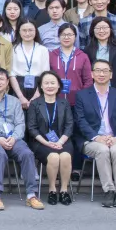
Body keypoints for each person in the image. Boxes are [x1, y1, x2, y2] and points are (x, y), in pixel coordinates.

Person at [0, 67, 44, 211]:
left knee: (27, 153)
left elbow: (20, 124)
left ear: (7, 83)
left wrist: (14, 138)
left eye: (2, 79)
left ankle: (31, 195)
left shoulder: (15, 101)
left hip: (13, 138)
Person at [74, 59, 116, 208]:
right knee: (103, 150)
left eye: (105, 71)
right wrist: (96, 137)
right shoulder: (82, 95)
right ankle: (109, 190)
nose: (101, 74)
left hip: (114, 138)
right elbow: (80, 121)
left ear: (111, 75)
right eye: (98, 70)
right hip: (91, 140)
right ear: (92, 74)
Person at [27, 71, 74, 206]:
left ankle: (64, 190)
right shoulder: (35, 104)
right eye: (46, 83)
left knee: (65, 156)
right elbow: (32, 128)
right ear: (41, 86)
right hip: (41, 142)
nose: (49, 86)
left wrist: (60, 141)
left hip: (62, 140)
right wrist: (47, 143)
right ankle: (52, 190)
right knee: (53, 157)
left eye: (53, 83)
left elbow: (69, 125)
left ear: (59, 85)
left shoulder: (64, 103)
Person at [9, 20, 51, 111]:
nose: (27, 33)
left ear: (36, 31)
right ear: (19, 31)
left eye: (30, 30)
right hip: (18, 86)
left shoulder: (43, 49)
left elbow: (45, 74)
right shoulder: (13, 49)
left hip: (38, 86)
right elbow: (11, 74)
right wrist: (20, 97)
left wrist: (36, 96)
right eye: (24, 30)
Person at [84, 16, 116, 93]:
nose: (101, 31)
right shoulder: (88, 49)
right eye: (98, 28)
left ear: (110, 29)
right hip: (95, 90)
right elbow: (87, 73)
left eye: (105, 28)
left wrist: (115, 88)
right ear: (93, 30)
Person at [50, 23, 92, 103]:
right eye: (63, 35)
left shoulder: (83, 56)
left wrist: (82, 97)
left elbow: (88, 81)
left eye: (69, 35)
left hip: (77, 101)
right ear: (58, 37)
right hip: (55, 100)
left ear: (75, 36)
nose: (66, 37)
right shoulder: (52, 55)